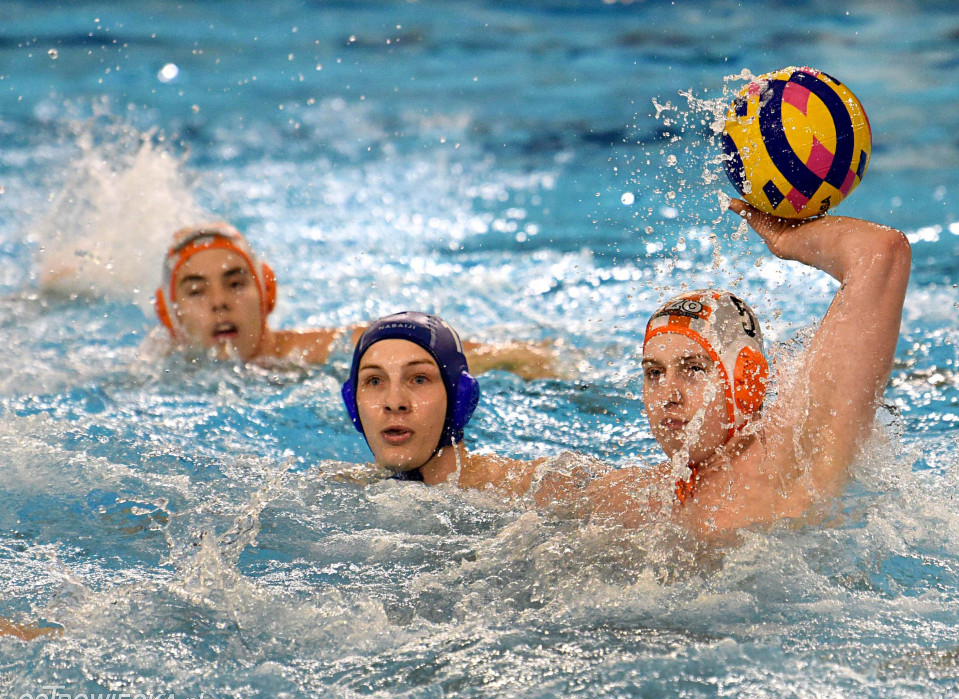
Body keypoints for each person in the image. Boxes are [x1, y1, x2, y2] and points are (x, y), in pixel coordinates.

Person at [580, 198, 912, 534]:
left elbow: (881, 251)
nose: (669, 395)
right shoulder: (633, 495)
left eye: (693, 369)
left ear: (745, 380)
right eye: (654, 373)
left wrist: (788, 240)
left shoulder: (791, 464)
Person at [151, 221, 561, 379]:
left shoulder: (314, 353)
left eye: (236, 283)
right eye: (196, 290)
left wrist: (515, 357)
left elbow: (424, 347)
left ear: (266, 293)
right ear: (170, 316)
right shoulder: (154, 374)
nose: (219, 302)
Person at [341, 311, 546, 492]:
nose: (394, 402)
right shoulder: (338, 490)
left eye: (419, 379)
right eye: (374, 381)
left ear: (460, 399)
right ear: (353, 405)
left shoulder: (532, 488)